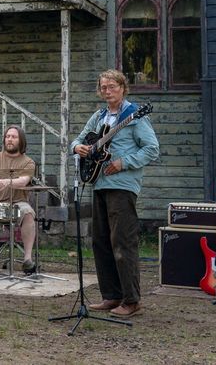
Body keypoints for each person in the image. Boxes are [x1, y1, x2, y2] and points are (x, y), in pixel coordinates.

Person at [71, 69, 158, 319]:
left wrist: (123, 162)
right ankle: (112, 295)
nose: (107, 91)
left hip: (122, 186)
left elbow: (152, 149)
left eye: (112, 86)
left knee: (122, 242)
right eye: (103, 87)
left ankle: (132, 300)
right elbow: (77, 140)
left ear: (122, 88)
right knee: (100, 242)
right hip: (99, 183)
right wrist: (78, 147)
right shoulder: (98, 116)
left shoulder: (135, 115)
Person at [0, 126, 39, 274]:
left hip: (17, 202)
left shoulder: (28, 162)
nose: (9, 139)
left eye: (14, 137)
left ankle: (27, 260)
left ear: (21, 140)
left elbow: (23, 181)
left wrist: (8, 182)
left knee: (28, 213)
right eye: (7, 136)